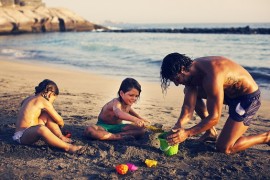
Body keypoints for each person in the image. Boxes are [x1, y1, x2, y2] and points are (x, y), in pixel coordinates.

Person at [160, 52, 270, 154]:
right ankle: (211, 132)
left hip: (246, 98)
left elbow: (214, 118)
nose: (176, 84)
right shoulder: (190, 75)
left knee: (225, 148)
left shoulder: (211, 75)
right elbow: (188, 108)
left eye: (176, 79)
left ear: (182, 69)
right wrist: (178, 126)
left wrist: (187, 133)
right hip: (227, 93)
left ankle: (266, 137)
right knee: (189, 91)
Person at [13, 79, 84, 153]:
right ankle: (67, 147)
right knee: (42, 128)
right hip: (22, 136)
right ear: (50, 94)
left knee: (45, 115)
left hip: (26, 131)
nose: (52, 102)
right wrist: (60, 124)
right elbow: (59, 120)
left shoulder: (29, 98)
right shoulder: (43, 101)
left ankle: (61, 137)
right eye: (53, 100)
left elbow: (24, 106)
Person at [84, 78, 149, 140]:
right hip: (103, 126)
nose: (134, 98)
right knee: (90, 130)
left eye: (136, 96)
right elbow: (119, 113)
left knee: (141, 130)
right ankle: (116, 136)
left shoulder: (128, 103)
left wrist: (140, 118)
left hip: (119, 126)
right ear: (121, 93)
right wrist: (135, 119)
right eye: (131, 95)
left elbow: (129, 110)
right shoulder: (115, 102)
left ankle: (120, 135)